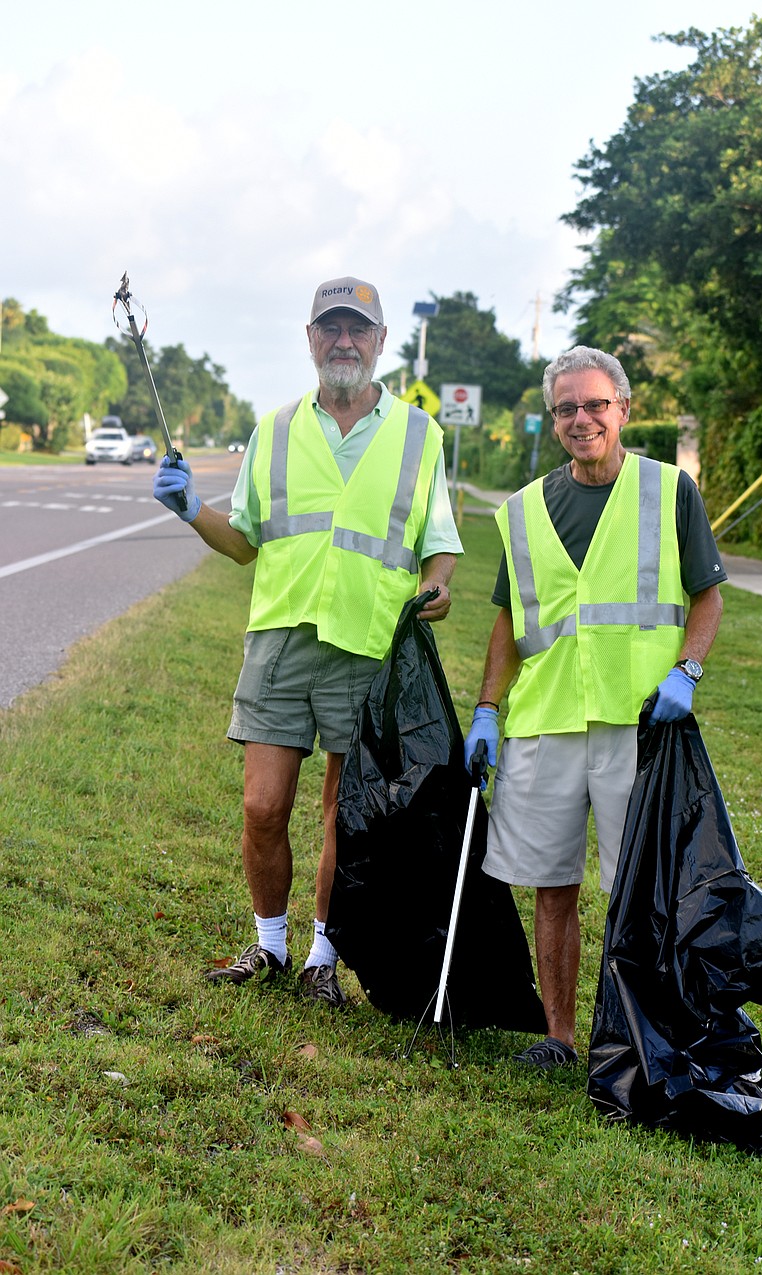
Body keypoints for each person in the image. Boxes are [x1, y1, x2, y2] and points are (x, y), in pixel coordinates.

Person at [154, 276, 462, 1006]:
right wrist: (192, 508)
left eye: (358, 329)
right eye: (331, 328)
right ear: (311, 338)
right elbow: (243, 543)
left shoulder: (421, 435)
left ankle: (324, 954)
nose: (344, 341)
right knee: (263, 805)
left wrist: (440, 583)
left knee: (341, 810)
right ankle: (269, 947)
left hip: (366, 642)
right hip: (282, 639)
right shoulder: (276, 429)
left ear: (381, 342)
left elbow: (438, 542)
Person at [463, 346, 725, 1070]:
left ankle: (640, 1033)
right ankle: (560, 1036)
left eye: (596, 405)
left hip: (637, 721)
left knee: (641, 892)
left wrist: (688, 670)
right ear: (554, 421)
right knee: (552, 888)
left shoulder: (669, 491)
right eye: (568, 408)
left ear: (624, 410)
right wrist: (487, 709)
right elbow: (507, 624)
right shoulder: (521, 512)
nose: (583, 419)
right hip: (546, 723)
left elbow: (708, 595)